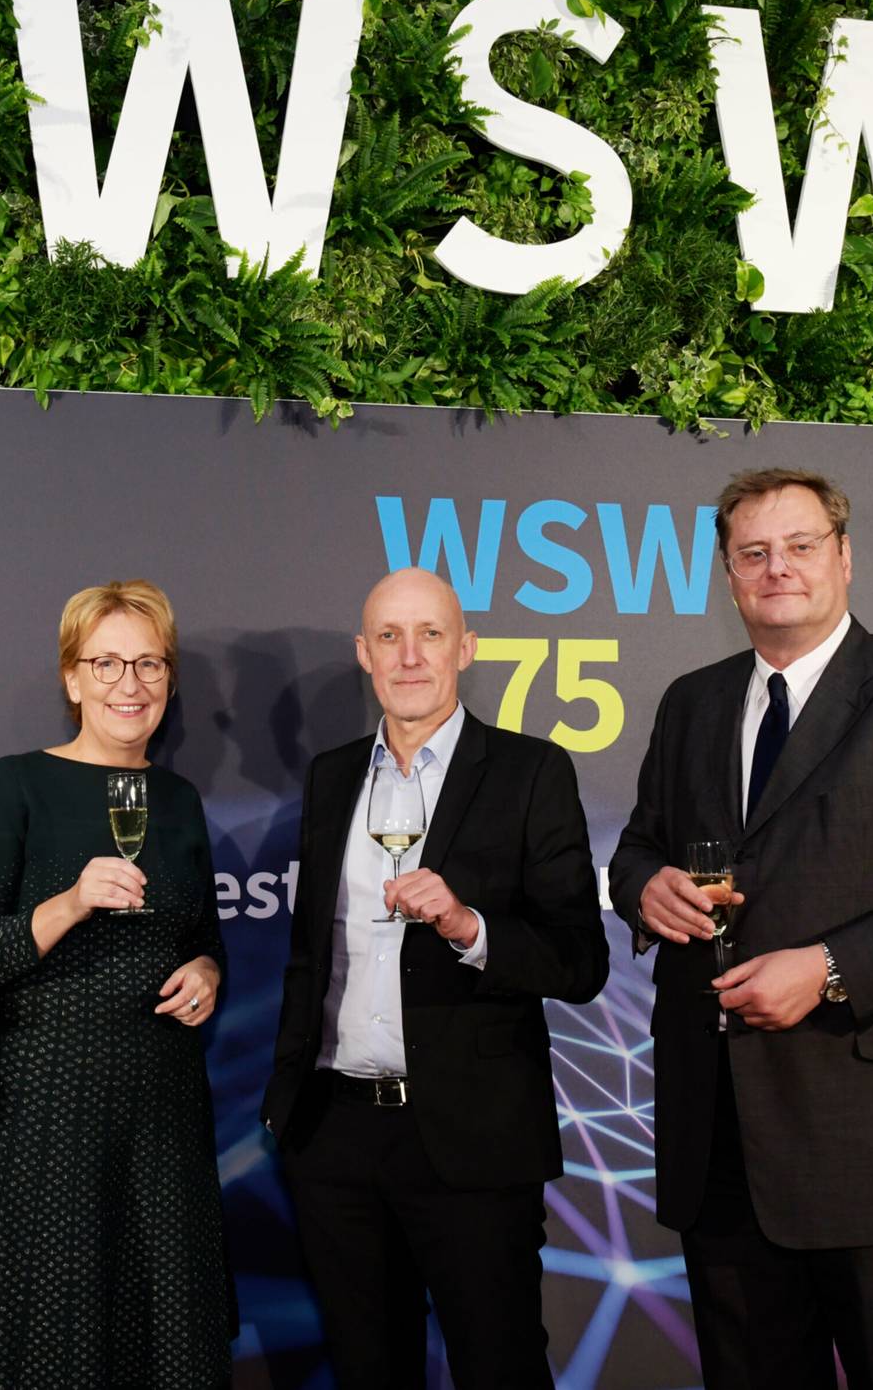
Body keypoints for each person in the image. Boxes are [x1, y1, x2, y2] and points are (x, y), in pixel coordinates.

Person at [609, 468, 873, 1389]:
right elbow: (640, 845)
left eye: (801, 545)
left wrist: (832, 967)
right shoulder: (691, 701)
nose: (779, 569)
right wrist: (644, 886)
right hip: (720, 1139)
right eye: (754, 553)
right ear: (727, 575)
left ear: (844, 557)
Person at [262, 566, 609, 1390]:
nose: (409, 656)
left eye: (429, 634)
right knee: (366, 1372)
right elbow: (313, 953)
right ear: (363, 654)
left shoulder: (532, 772)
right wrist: (291, 1107)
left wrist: (469, 928)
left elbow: (580, 960)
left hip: (473, 1141)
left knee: (500, 1369)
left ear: (467, 647)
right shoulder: (332, 776)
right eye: (389, 636)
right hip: (337, 1136)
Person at [0, 580, 232, 1388]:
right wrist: (71, 902)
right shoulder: (15, 786)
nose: (130, 683)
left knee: (162, 1352)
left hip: (158, 1112)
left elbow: (200, 934)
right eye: (107, 662)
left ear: (170, 680)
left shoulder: (180, 800)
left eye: (149, 663)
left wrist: (207, 968)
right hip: (40, 1111)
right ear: (71, 678)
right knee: (53, 1351)